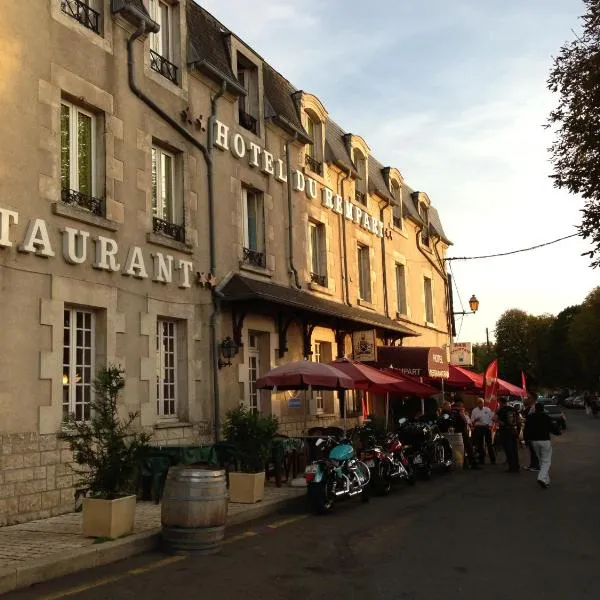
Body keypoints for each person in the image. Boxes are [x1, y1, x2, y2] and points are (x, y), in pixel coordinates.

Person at [524, 402, 556, 488]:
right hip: (545, 440)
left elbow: (526, 429)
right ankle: (541, 478)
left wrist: (526, 440)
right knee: (546, 461)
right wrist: (558, 432)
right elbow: (552, 427)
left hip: (534, 441)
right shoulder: (546, 417)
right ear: (543, 409)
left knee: (541, 459)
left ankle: (546, 480)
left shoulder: (530, 417)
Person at [451, 400, 480, 470]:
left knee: (462, 449)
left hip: (458, 433)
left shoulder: (453, 413)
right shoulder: (459, 413)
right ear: (458, 406)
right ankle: (472, 464)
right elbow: (465, 421)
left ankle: (465, 464)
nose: (463, 407)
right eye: (461, 406)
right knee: (468, 448)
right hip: (462, 433)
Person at [495, 397, 520, 473]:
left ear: (501, 402)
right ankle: (516, 466)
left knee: (508, 449)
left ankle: (511, 467)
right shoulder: (513, 409)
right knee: (514, 449)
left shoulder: (501, 410)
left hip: (505, 431)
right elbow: (518, 419)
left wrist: (498, 419)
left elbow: (495, 419)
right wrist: (516, 429)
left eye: (499, 403)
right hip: (513, 430)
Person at [470, 397, 496, 465]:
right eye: (479, 403)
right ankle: (482, 460)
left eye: (481, 403)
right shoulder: (474, 410)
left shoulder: (487, 409)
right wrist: (476, 419)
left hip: (486, 427)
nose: (480, 404)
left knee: (489, 444)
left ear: (483, 403)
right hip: (478, 428)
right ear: (477, 403)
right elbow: (472, 421)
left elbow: (491, 418)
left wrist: (490, 425)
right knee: (480, 444)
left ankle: (493, 460)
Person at [521, 394, 540, 471]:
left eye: (529, 398)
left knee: (534, 449)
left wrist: (525, 420)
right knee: (531, 449)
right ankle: (532, 465)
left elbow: (534, 419)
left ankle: (536, 466)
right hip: (529, 431)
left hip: (533, 431)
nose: (527, 399)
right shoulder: (530, 407)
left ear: (533, 399)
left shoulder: (535, 407)